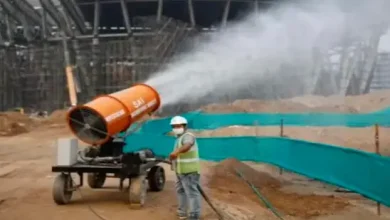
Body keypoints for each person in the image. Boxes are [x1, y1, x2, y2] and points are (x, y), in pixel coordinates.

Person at [169, 115, 201, 220]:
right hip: (180, 171)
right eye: (174, 126)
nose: (176, 128)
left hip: (190, 171)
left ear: (184, 126)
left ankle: (194, 215)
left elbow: (187, 145)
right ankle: (182, 213)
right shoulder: (178, 138)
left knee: (191, 193)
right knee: (181, 191)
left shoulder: (188, 136)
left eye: (178, 126)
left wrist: (176, 152)